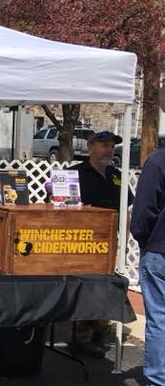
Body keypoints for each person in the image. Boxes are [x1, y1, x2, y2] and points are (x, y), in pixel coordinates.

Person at [70, 129, 133, 356]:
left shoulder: (117, 176)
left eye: (111, 145)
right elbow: (59, 206)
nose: (109, 149)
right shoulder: (75, 174)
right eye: (104, 145)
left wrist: (124, 242)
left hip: (108, 243)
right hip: (82, 242)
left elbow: (124, 211)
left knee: (106, 288)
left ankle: (99, 331)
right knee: (86, 288)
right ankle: (82, 336)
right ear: (90, 147)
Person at [129, 144, 165, 386]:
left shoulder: (157, 163)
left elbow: (142, 214)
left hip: (160, 249)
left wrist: (143, 239)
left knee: (160, 317)